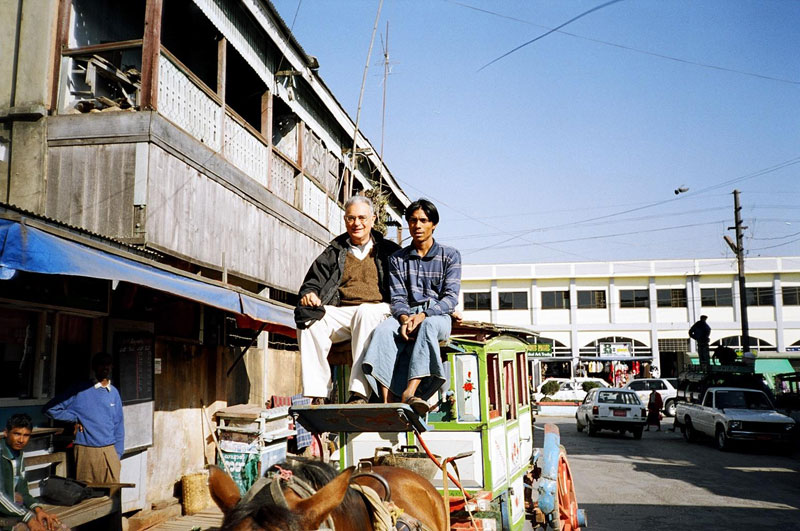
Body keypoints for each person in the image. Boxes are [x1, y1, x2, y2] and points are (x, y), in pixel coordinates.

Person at [295, 195, 401, 403]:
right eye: (351, 218)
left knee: (365, 312)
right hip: (343, 311)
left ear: (373, 219)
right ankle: (318, 393)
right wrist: (310, 294)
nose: (357, 223)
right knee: (309, 320)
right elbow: (312, 282)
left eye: (362, 218)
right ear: (345, 220)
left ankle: (359, 391)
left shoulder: (389, 252)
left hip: (380, 310)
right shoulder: (335, 251)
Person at [362, 199, 461, 415]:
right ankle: (386, 400)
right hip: (406, 315)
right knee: (382, 332)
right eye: (413, 220)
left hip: (437, 315)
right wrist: (405, 319)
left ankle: (410, 391)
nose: (417, 225)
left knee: (428, 328)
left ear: (433, 224)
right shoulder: (398, 258)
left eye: (423, 221)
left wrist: (424, 315)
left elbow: (450, 299)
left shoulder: (450, 256)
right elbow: (398, 298)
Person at [45, 353, 124, 484]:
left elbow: (119, 424)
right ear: (94, 367)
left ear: (112, 366)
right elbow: (50, 409)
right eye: (101, 364)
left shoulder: (114, 392)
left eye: (108, 364)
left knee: (113, 494)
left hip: (110, 450)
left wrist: (118, 453)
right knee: (87, 491)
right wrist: (76, 418)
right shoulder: (80, 389)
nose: (105, 367)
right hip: (86, 450)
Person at [1, 414, 61, 531]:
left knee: (56, 526)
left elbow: (23, 491)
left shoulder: (18, 454)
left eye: (26, 435)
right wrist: (28, 518)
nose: (21, 440)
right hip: (4, 516)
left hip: (16, 511)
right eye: (17, 434)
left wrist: (38, 510)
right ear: (6, 433)